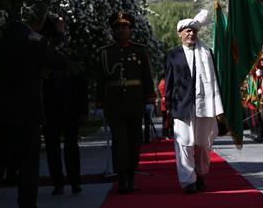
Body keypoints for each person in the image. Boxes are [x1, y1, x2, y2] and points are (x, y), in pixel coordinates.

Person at [0, 4, 66, 208]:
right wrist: (60, 34)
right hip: (26, 114)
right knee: (28, 170)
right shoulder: (34, 41)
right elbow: (59, 61)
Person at [164, 10, 224, 193]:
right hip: (182, 107)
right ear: (180, 33)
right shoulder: (173, 55)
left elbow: (215, 79)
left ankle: (199, 174)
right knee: (184, 143)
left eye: (193, 31)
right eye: (187, 31)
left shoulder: (206, 53)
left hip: (203, 106)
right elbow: (169, 82)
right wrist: (167, 108)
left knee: (203, 144)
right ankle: (187, 181)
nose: (191, 34)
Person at [96, 11, 156, 194]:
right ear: (112, 31)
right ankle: (122, 178)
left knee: (134, 141)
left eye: (124, 27)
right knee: (119, 142)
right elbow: (100, 80)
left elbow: (147, 76)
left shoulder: (139, 50)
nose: (121, 30)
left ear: (130, 29)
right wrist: (99, 104)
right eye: (117, 28)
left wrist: (150, 99)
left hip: (135, 102)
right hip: (114, 104)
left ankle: (131, 176)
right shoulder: (105, 52)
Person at [41, 15, 88, 195]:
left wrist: (83, 110)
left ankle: (74, 181)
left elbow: (81, 85)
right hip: (50, 108)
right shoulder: (45, 54)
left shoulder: (70, 56)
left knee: (71, 146)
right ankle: (58, 182)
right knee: (53, 148)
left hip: (69, 109)